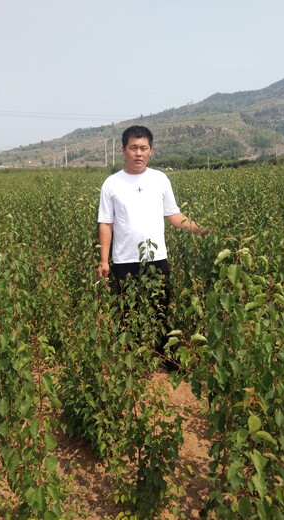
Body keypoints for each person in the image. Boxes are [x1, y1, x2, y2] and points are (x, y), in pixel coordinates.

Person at [97, 125, 209, 365]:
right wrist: (104, 261)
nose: (139, 153)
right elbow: (106, 224)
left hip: (157, 257)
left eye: (143, 148)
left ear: (151, 151)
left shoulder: (159, 179)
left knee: (161, 307)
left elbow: (175, 216)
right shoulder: (112, 184)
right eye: (133, 148)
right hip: (125, 259)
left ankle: (165, 356)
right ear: (123, 150)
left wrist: (200, 229)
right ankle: (132, 361)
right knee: (127, 312)